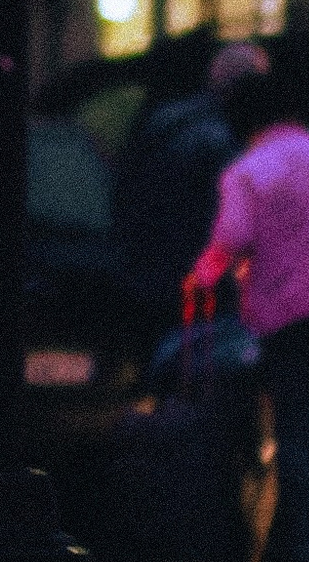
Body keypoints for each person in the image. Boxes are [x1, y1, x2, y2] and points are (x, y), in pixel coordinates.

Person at [188, 62, 309, 562]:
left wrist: (198, 278)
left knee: (295, 429)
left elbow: (232, 239)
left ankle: (296, 552)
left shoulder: (249, 171)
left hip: (290, 315)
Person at [114, 39, 270, 352]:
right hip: (199, 278)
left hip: (147, 268)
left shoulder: (164, 121)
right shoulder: (227, 139)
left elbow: (125, 189)